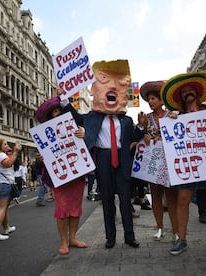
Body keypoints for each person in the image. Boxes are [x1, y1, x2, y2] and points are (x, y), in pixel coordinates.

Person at [61, 59, 147, 249]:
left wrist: (141, 125)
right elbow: (76, 118)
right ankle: (110, 237)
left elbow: (135, 136)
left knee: (125, 200)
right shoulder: (92, 117)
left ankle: (130, 236)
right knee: (107, 200)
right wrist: (64, 100)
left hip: (122, 161)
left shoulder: (125, 120)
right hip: (102, 159)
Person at [160, 72, 206, 255]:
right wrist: (171, 122)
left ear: (197, 93)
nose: (188, 92)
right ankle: (182, 239)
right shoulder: (177, 117)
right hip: (188, 163)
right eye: (184, 91)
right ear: (180, 97)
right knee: (182, 200)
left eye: (191, 89)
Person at [35, 96, 88, 255]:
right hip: (59, 177)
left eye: (59, 111)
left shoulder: (77, 128)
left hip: (76, 174)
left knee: (75, 208)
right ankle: (63, 242)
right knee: (62, 209)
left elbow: (87, 145)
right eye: (54, 113)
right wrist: (41, 159)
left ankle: (72, 238)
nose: (57, 115)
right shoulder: (46, 133)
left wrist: (84, 135)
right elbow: (45, 157)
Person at [138, 80, 179, 243]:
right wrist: (142, 132)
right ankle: (160, 228)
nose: (150, 102)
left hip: (169, 162)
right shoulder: (145, 119)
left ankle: (176, 230)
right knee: (155, 196)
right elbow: (138, 137)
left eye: (154, 99)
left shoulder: (171, 115)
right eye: (149, 99)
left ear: (161, 100)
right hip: (153, 163)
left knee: (171, 198)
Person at [0, 138, 21, 241]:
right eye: (5, 144)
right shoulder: (1, 155)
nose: (7, 146)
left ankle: (6, 228)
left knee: (4, 208)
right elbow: (8, 163)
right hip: (3, 184)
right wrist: (15, 152)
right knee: (2, 208)